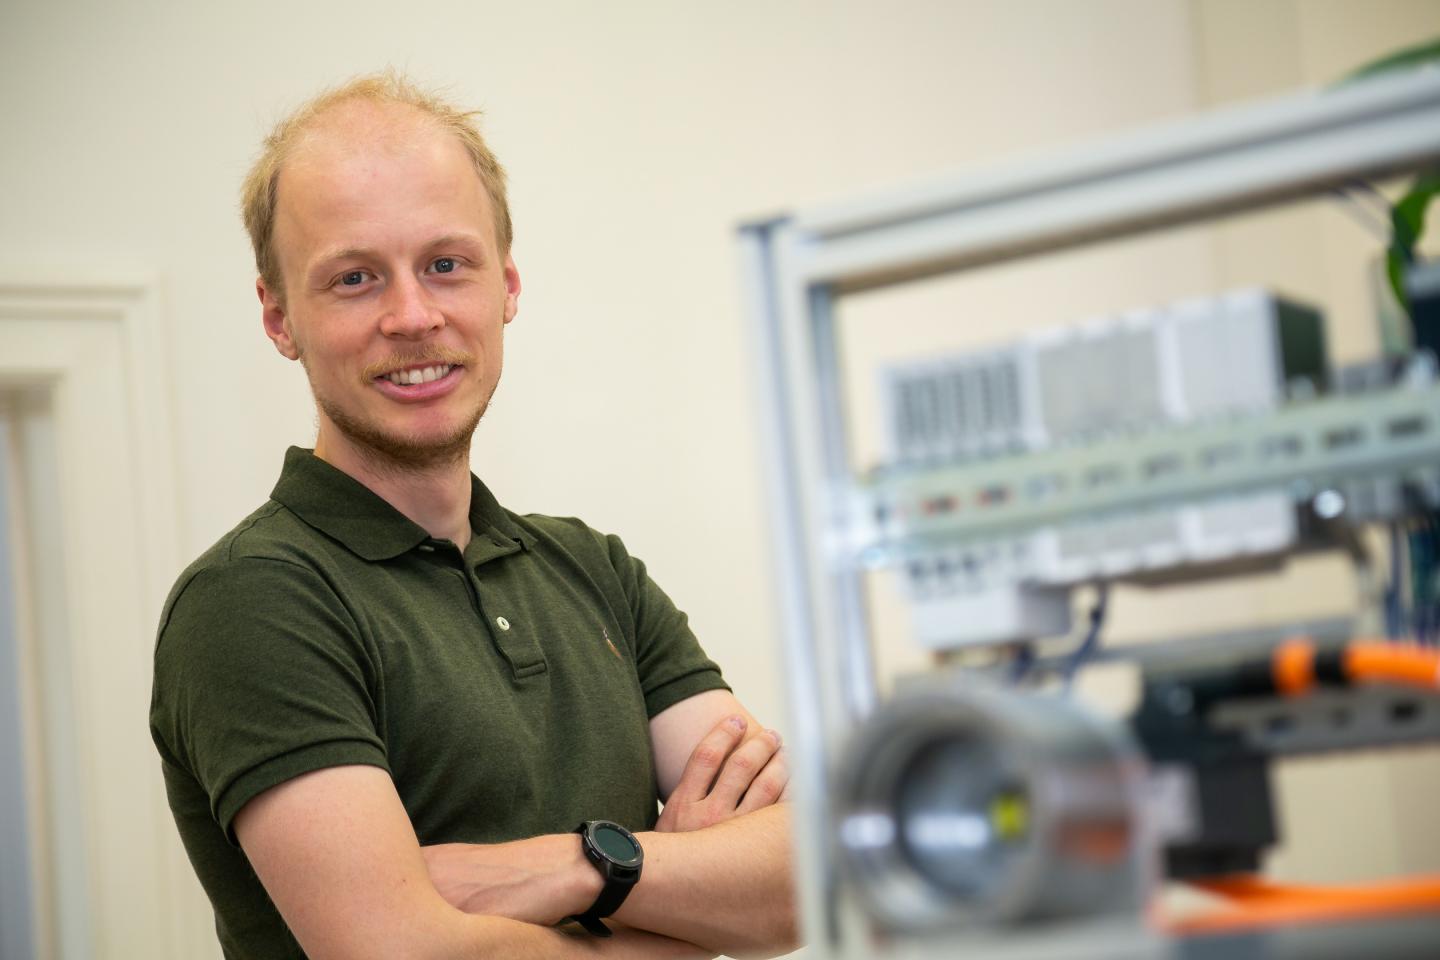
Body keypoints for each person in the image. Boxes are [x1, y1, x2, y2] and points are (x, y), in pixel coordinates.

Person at [149, 70, 796, 960]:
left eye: (446, 265)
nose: (413, 316)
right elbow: (404, 955)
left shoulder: (595, 570)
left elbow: (803, 878)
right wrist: (681, 905)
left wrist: (573, 867)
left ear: (507, 285)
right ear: (279, 317)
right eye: (354, 278)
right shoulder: (254, 601)